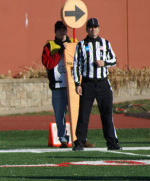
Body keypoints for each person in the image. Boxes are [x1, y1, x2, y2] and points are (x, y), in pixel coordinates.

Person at [42, 21, 94, 148]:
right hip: (58, 86)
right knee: (60, 114)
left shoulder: (74, 42)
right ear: (55, 32)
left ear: (66, 30)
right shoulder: (49, 46)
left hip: (73, 84)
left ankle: (80, 138)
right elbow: (48, 63)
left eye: (63, 29)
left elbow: (83, 58)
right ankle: (63, 140)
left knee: (78, 113)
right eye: (59, 30)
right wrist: (61, 51)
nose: (61, 32)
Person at [72, 18, 121, 151]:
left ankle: (112, 142)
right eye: (91, 27)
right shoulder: (81, 45)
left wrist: (104, 63)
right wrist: (77, 83)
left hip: (102, 83)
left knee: (106, 113)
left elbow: (114, 60)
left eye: (95, 27)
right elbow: (76, 64)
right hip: (87, 82)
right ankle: (80, 141)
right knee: (83, 113)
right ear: (87, 29)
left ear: (99, 28)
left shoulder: (105, 43)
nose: (93, 29)